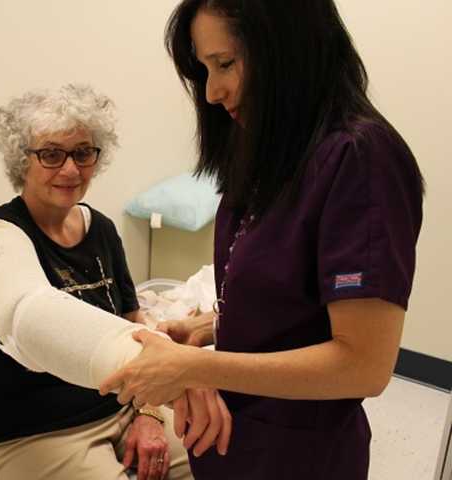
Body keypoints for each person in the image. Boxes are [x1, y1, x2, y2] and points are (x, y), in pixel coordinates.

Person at [100, 1, 425, 479]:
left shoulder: (360, 159)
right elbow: (292, 298)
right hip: (233, 438)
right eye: (204, 69)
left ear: (289, 46)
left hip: (298, 455)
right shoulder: (267, 151)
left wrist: (197, 368)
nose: (212, 92)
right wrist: (209, 329)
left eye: (225, 64)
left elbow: (364, 364)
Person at [0, 84, 224, 480]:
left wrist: (148, 414)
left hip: (116, 408)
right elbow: (28, 320)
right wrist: (175, 375)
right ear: (21, 160)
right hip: (21, 432)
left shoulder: (103, 230)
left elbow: (133, 325)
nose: (71, 169)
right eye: (51, 154)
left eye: (83, 152)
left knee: (225, 459)